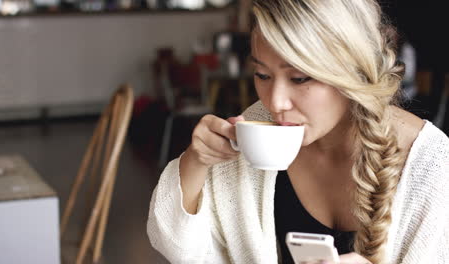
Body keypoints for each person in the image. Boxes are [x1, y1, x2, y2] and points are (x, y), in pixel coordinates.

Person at [147, 0, 449, 263]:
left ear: (353, 72)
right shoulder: (252, 130)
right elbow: (182, 251)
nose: (275, 102)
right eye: (262, 74)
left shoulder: (431, 167)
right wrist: (195, 161)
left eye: (300, 78)